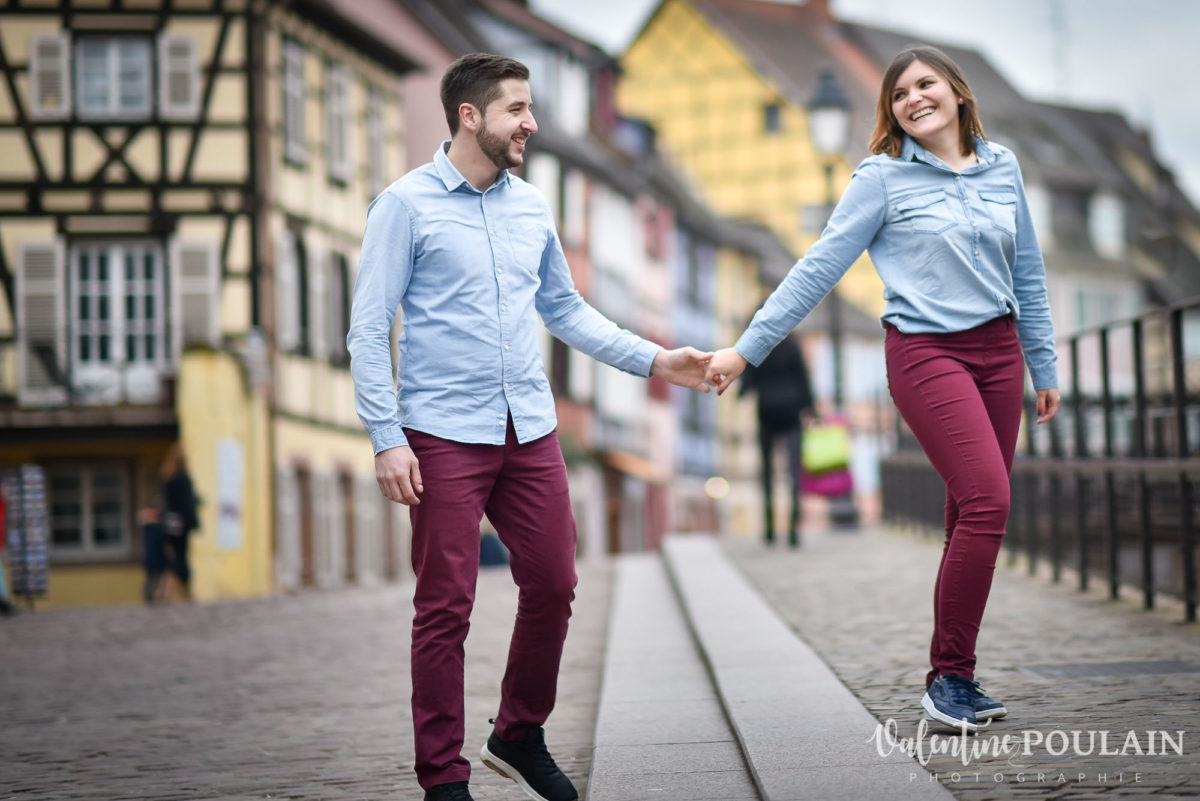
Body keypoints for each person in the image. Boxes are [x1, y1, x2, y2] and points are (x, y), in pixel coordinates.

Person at [347, 53, 713, 801]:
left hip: (529, 428)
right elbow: (367, 329)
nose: (532, 123)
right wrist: (387, 437)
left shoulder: (532, 207)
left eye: (531, 108)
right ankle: (443, 777)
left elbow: (565, 310)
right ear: (470, 115)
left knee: (554, 581)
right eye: (517, 109)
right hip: (441, 432)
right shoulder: (404, 206)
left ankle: (518, 731)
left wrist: (656, 361)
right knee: (445, 606)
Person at [705, 46, 1061, 734]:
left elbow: (1028, 272)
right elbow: (818, 268)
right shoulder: (882, 178)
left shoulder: (1003, 165)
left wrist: (1042, 365)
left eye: (926, 84)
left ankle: (952, 674)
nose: (914, 98)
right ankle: (951, 678)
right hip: (926, 352)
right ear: (891, 111)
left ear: (957, 92)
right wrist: (746, 350)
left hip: (999, 354)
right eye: (899, 94)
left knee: (968, 510)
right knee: (989, 500)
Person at [738, 330, 813, 547]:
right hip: (792, 412)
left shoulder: (759, 347)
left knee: (767, 473)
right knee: (794, 473)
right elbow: (803, 377)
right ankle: (793, 530)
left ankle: (769, 529)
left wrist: (741, 391)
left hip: (767, 412)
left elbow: (748, 380)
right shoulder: (792, 344)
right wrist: (811, 407)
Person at [160, 445, 200, 600]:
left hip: (170, 523)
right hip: (182, 523)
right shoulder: (183, 478)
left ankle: (170, 589)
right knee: (181, 557)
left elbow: (166, 502)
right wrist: (194, 522)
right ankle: (179, 590)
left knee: (175, 555)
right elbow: (186, 503)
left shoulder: (167, 477)